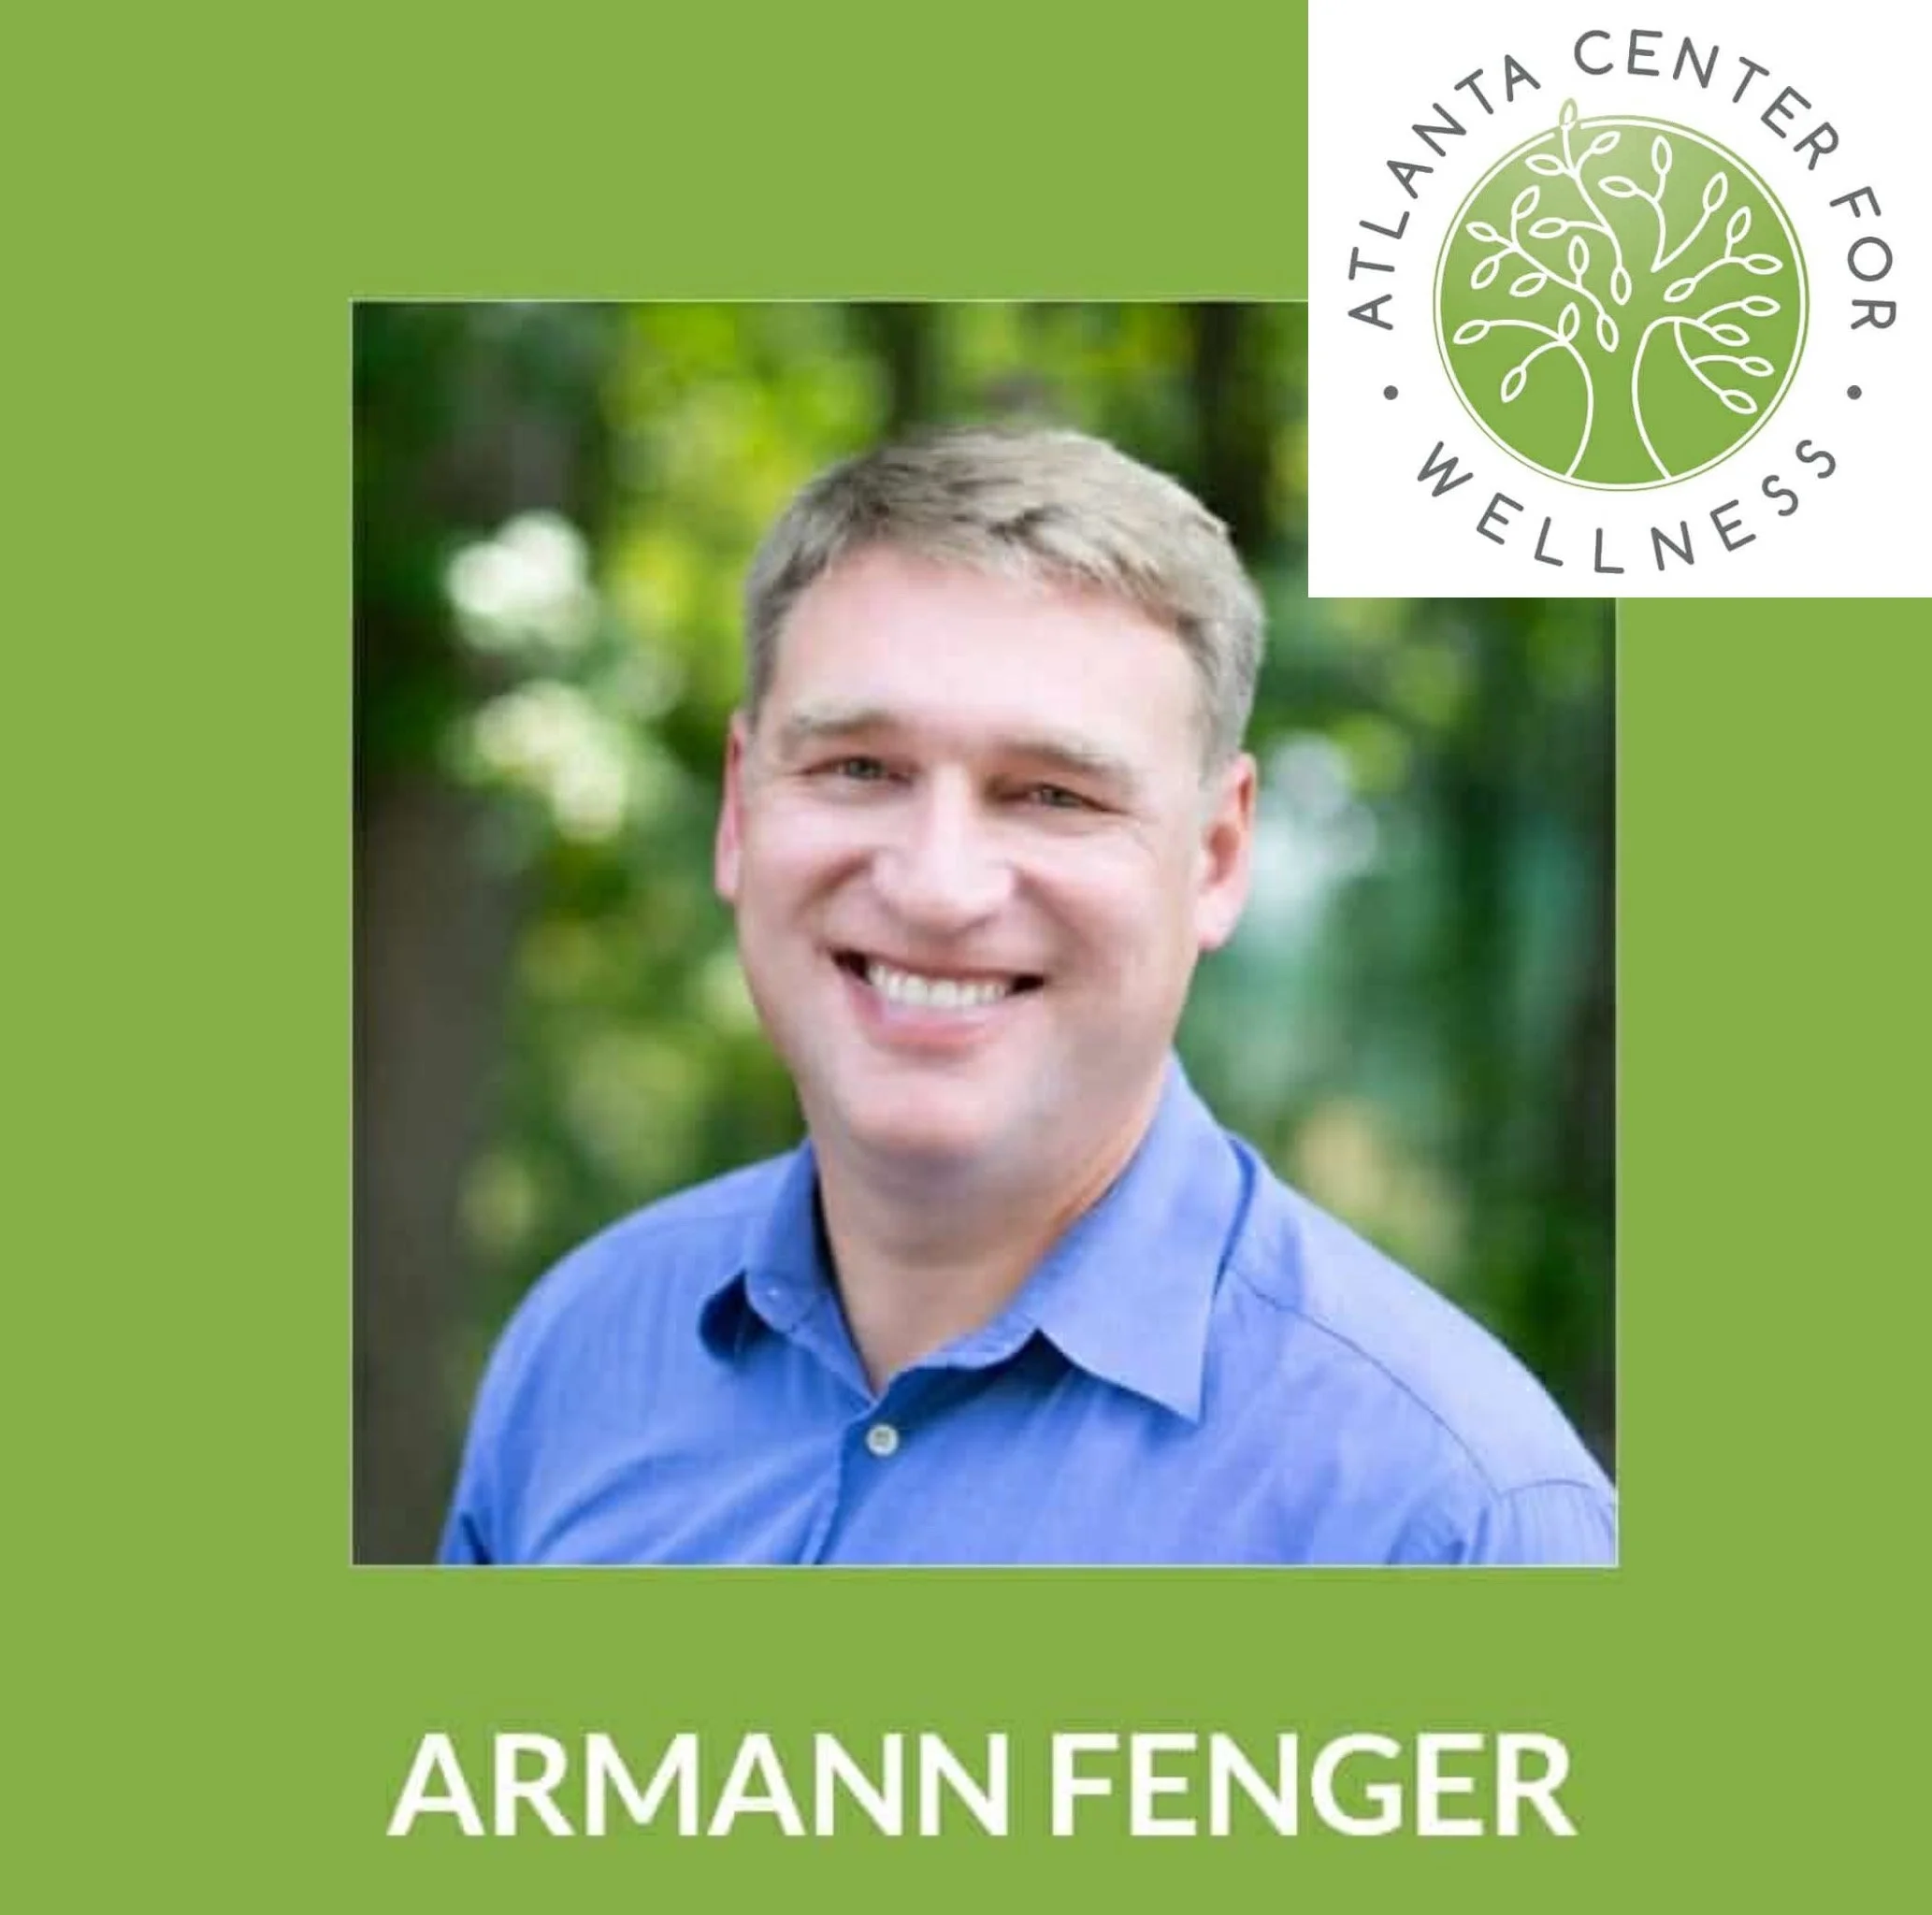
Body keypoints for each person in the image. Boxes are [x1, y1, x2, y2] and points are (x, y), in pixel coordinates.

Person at [439, 425, 1616, 1566]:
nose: (938, 886)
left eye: (1051, 794)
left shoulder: (1449, 1516)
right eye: (859, 768)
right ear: (743, 809)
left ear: (1213, 856)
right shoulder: (582, 1352)